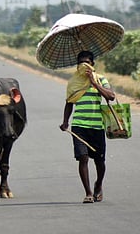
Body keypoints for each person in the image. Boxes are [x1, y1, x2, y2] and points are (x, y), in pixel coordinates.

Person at [59, 51, 115, 203]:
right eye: (81, 63)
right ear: (77, 66)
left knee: (100, 161)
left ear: (92, 65)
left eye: (87, 62)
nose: (84, 65)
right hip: (79, 126)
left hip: (97, 126)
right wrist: (65, 122)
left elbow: (111, 96)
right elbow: (69, 102)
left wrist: (94, 82)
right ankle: (88, 192)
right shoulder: (73, 82)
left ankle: (98, 185)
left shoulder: (101, 79)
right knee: (82, 158)